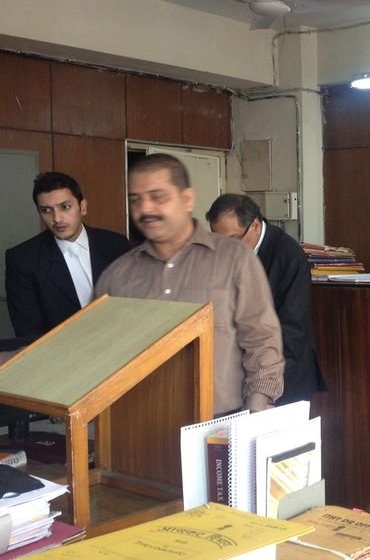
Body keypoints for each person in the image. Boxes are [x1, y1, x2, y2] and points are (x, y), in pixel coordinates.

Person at [95, 154, 284, 414]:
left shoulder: (233, 258)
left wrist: (257, 407)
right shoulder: (117, 276)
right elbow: (98, 355)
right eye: (136, 200)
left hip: (221, 421)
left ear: (187, 199)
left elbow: (261, 338)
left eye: (158, 197)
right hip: (140, 423)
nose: (146, 209)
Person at [206, 193, 325, 406]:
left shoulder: (289, 256)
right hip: (239, 376)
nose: (225, 248)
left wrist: (268, 389)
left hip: (285, 378)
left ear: (255, 226)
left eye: (233, 240)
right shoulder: (222, 255)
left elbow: (292, 330)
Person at [5, 172, 129, 344]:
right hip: (59, 354)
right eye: (46, 210)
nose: (57, 219)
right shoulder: (22, 259)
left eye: (65, 207)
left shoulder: (117, 245)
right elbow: (28, 332)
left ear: (82, 207)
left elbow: (132, 306)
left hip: (122, 345)